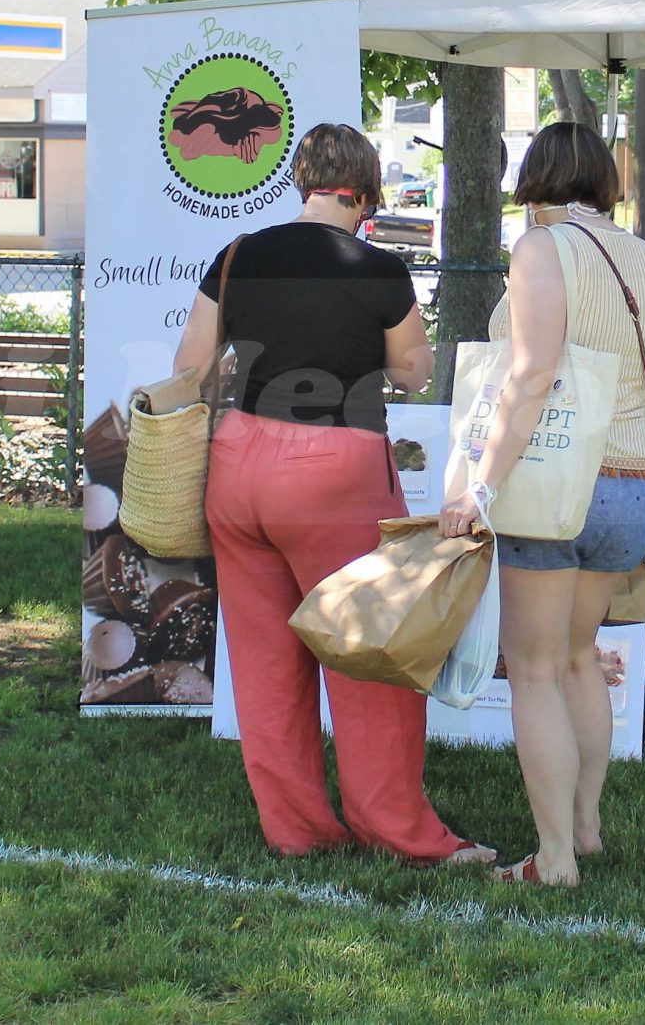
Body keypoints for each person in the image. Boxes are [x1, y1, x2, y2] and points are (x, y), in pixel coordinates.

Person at [172, 123, 491, 869]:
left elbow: (189, 368)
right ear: (367, 194)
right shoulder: (379, 268)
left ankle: (297, 829)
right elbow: (413, 372)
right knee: (367, 650)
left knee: (264, 658)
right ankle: (397, 828)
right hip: (335, 466)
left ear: (300, 183)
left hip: (237, 462)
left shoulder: (239, 254)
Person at [438, 121, 645, 888]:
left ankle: (555, 859)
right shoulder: (642, 256)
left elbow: (530, 377)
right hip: (632, 486)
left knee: (533, 671)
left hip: (556, 485)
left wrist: (480, 485)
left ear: (533, 181)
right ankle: (586, 828)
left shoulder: (543, 249)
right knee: (577, 660)